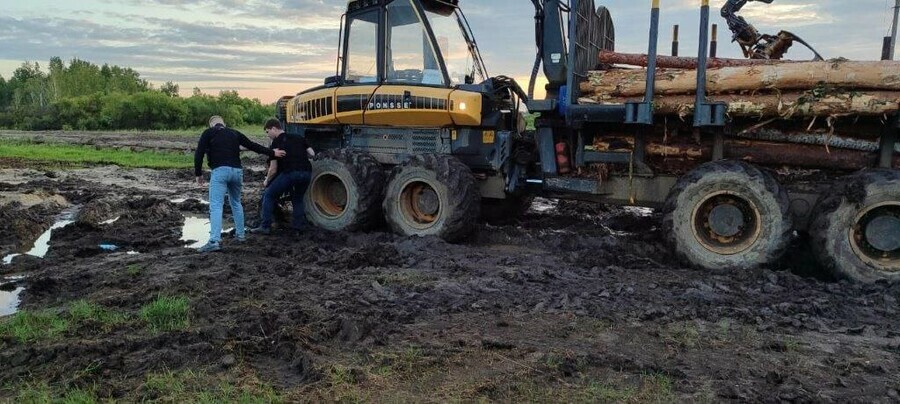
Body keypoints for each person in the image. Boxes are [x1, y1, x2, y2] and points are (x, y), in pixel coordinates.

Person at [194, 115, 285, 252]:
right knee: (236, 203)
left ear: (211, 125)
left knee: (216, 205)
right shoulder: (234, 133)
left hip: (220, 171)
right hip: (237, 172)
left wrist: (198, 173)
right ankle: (240, 235)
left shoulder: (208, 133)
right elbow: (253, 146)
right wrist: (272, 152)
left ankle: (214, 241)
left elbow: (199, 153)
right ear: (223, 123)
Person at [251, 118, 315, 235]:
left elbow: (273, 169)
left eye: (267, 132)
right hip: (306, 173)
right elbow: (312, 153)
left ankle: (265, 226)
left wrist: (266, 181)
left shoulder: (275, 144)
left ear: (274, 128)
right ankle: (298, 227)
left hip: (290, 173)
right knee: (298, 198)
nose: (268, 135)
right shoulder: (298, 137)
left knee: (269, 195)